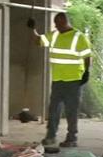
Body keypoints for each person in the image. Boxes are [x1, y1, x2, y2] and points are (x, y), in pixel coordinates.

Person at [28, 12, 92, 147]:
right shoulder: (55, 35)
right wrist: (32, 29)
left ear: (65, 22)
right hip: (58, 80)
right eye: (55, 24)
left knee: (71, 111)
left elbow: (87, 56)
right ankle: (51, 136)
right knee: (54, 110)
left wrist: (86, 72)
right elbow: (38, 41)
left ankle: (72, 138)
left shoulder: (78, 37)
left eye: (59, 23)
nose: (57, 26)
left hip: (74, 80)